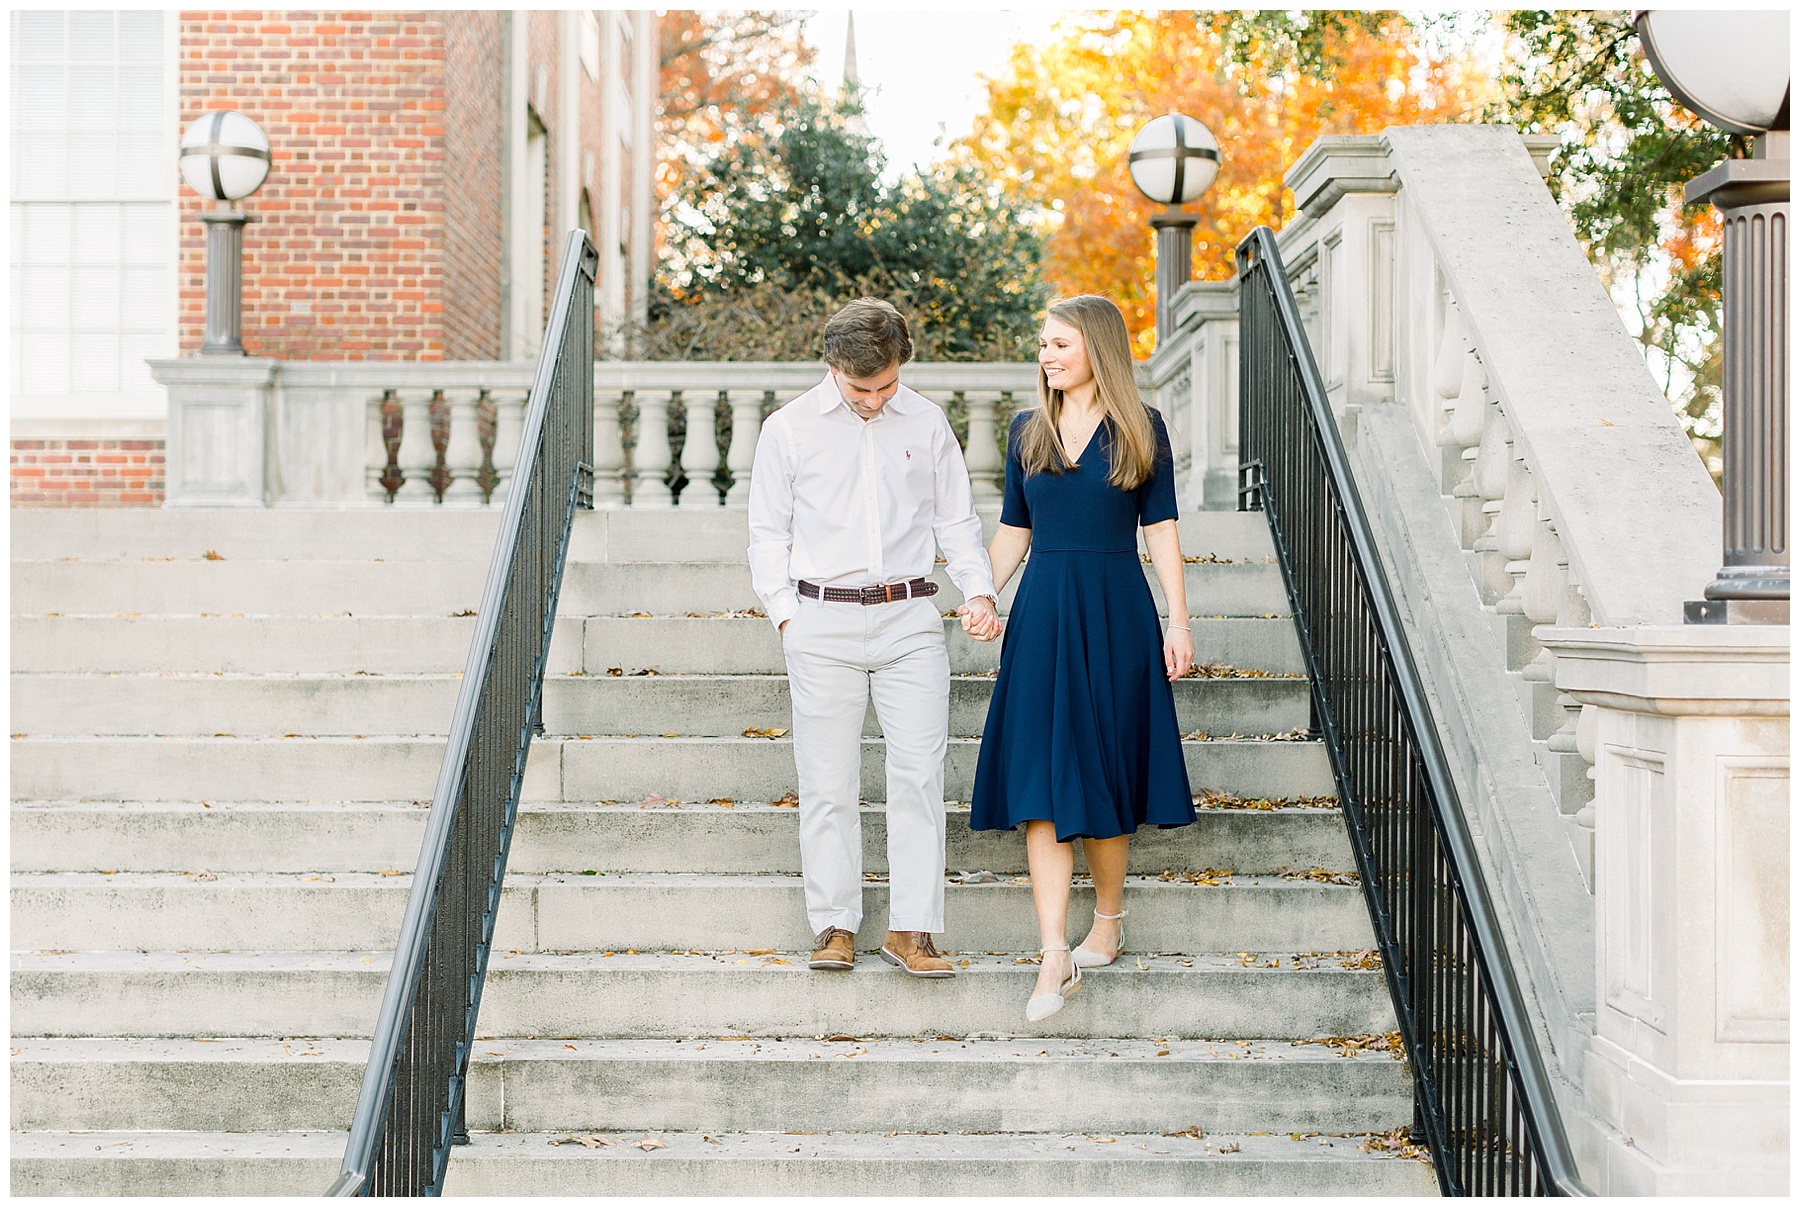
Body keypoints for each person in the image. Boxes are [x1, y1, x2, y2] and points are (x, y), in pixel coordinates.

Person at [748, 297, 1003, 979]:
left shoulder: (926, 420)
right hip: (820, 617)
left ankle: (911, 929)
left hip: (909, 619)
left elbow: (956, 521)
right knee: (828, 780)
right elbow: (769, 532)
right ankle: (834, 923)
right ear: (833, 366)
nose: (874, 399)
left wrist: (978, 590)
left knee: (917, 775)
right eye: (862, 388)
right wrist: (786, 616)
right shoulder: (789, 428)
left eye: (886, 385)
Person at [969, 294, 1196, 1022]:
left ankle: (1108, 918)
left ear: (1097, 346)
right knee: (1040, 777)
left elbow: (1159, 529)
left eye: (1060, 344)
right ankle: (1053, 953)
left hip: (1117, 612)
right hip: (1042, 616)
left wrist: (1179, 619)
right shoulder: (1025, 430)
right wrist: (981, 592)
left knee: (1103, 770)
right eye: (1043, 344)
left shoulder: (1141, 427)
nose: (1047, 355)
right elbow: (1013, 532)